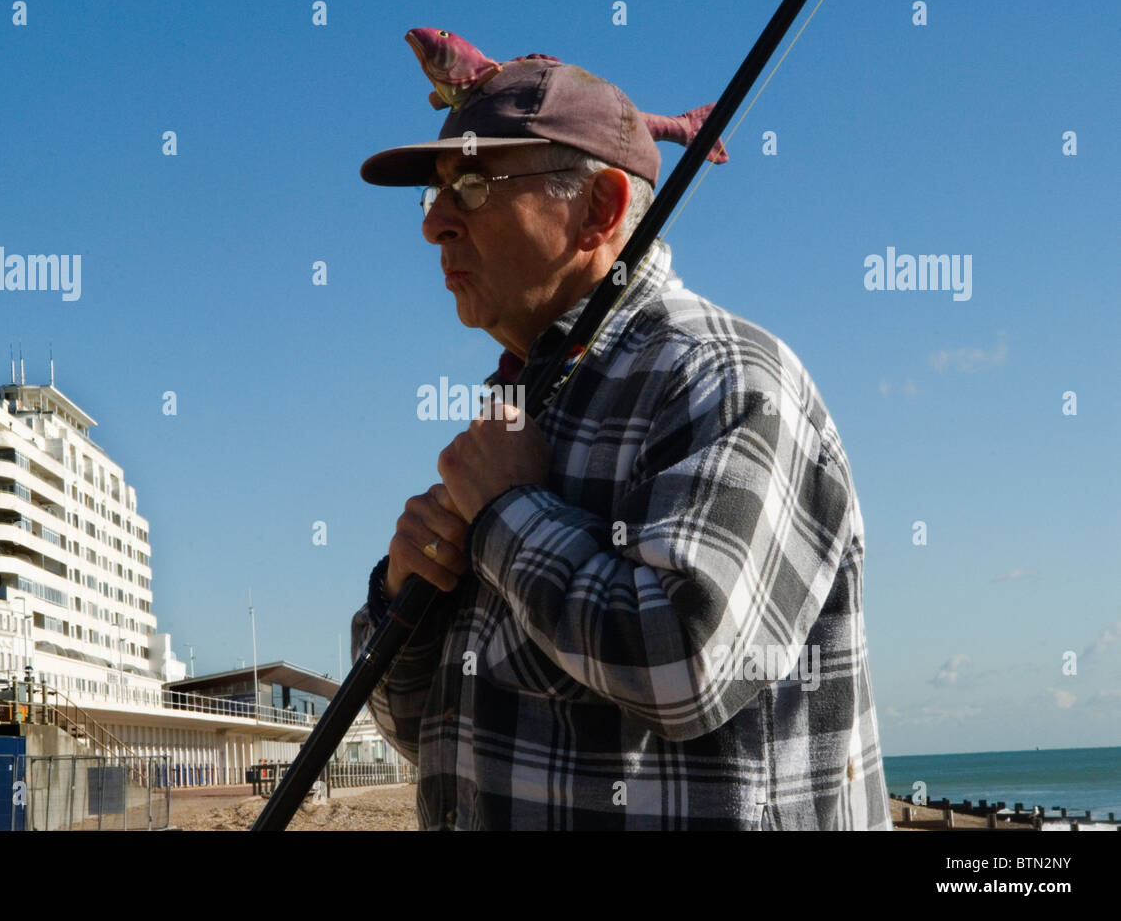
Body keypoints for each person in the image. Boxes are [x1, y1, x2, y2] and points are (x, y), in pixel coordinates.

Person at [351, 51, 891, 830]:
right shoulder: (524, 411)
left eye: (472, 182)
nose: (435, 218)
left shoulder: (722, 377)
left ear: (600, 210)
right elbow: (418, 732)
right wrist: (405, 597)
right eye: (436, 190)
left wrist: (507, 511)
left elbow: (685, 659)